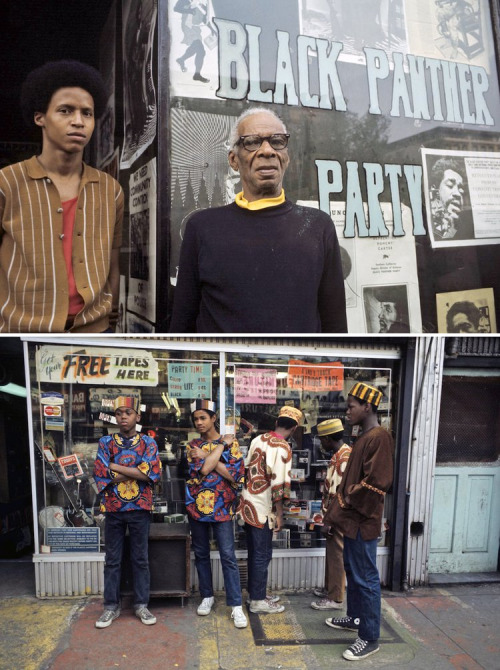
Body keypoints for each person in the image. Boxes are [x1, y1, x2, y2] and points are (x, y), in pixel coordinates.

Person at [169, 107, 347, 333]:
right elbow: (182, 323)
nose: (267, 150)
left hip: (293, 367)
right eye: (252, 142)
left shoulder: (317, 227)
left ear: (286, 157)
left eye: (277, 141)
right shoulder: (202, 228)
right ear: (233, 160)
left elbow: (335, 326)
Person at [0, 60, 124, 333]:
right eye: (65, 111)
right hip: (21, 333)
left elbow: (113, 265)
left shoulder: (110, 189)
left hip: (94, 333)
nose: (78, 122)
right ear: (40, 117)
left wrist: (108, 313)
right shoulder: (6, 184)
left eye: (87, 113)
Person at [323, 382, 393, 661]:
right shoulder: (364, 437)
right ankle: (355, 618)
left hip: (363, 521)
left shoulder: (379, 437)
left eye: (352, 406)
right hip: (353, 521)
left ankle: (369, 636)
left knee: (366, 579)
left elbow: (376, 484)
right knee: (353, 571)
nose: (347, 411)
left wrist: (344, 502)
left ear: (367, 407)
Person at [93, 396, 161, 629]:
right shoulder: (105, 442)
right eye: (119, 412)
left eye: (128, 412)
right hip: (113, 508)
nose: (123, 416)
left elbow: (150, 474)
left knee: (140, 559)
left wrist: (114, 466)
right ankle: (110, 606)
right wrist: (135, 470)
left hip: (140, 507)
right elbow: (100, 474)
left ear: (137, 417)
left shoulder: (148, 443)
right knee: (112, 560)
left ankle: (141, 604)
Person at [186, 399, 247, 629]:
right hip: (198, 507)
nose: (199, 422)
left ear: (213, 419)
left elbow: (235, 476)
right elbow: (201, 469)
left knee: (228, 556)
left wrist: (210, 454)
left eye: (203, 418)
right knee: (201, 554)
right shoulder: (192, 444)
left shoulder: (233, 444)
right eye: (195, 419)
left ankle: (236, 605)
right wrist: (220, 448)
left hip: (222, 507)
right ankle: (207, 596)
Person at [238, 405, 303, 614]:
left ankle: (256, 593)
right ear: (294, 429)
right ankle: (257, 600)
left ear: (277, 422)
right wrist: (280, 514)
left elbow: (246, 468)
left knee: (255, 551)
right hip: (263, 508)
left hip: (248, 503)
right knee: (262, 553)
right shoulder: (283, 447)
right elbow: (279, 486)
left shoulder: (258, 439)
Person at [310, 418, 352, 611]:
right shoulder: (342, 454)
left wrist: (330, 520)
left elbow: (338, 494)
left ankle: (335, 598)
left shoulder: (342, 458)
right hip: (336, 515)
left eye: (321, 439)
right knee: (332, 553)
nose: (320, 443)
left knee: (336, 554)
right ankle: (330, 589)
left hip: (338, 517)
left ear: (328, 438)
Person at [429, 157, 473, 241]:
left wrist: (452, 228)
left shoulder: (466, 228)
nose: (458, 194)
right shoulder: (426, 225)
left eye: (461, 189)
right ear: (434, 190)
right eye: (450, 185)